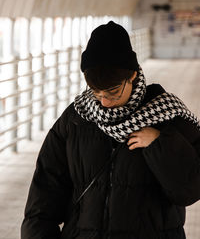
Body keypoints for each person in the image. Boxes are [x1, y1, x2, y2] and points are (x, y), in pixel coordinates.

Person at [21, 21, 200, 239]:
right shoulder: (76, 118)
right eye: (96, 92)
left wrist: (160, 143)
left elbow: (189, 190)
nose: (104, 102)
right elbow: (45, 189)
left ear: (132, 75)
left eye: (113, 91)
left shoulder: (169, 115)